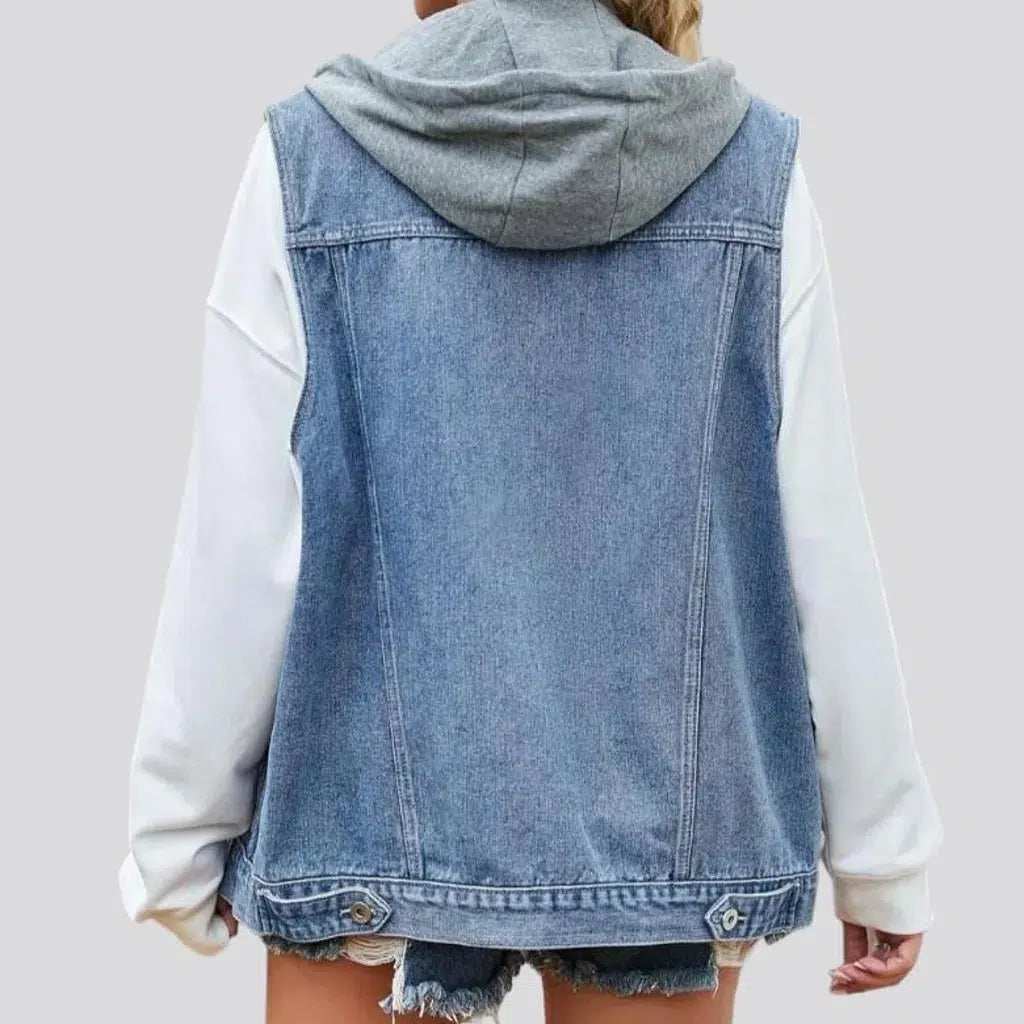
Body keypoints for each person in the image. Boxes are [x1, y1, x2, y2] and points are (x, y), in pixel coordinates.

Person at [117, 1, 944, 1021]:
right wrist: (881, 856)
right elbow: (818, 537)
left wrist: (177, 836)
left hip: (365, 826)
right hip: (669, 841)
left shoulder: (312, 154)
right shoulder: (750, 162)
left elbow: (242, 547)